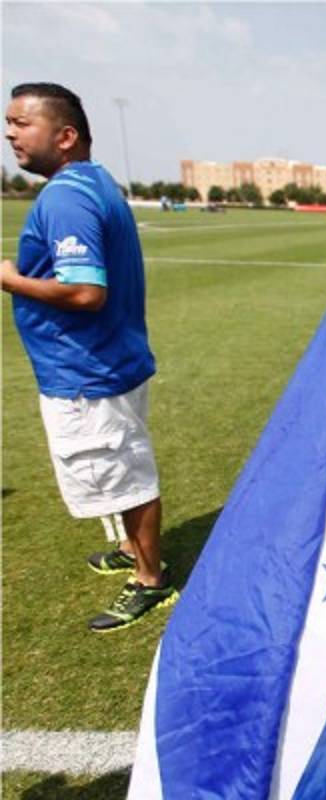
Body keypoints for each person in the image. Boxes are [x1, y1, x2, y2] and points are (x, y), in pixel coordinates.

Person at [2, 83, 174, 632]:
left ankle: (150, 579)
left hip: (87, 370)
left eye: (21, 123)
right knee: (120, 463)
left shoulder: (65, 198)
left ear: (65, 135)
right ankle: (131, 548)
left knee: (124, 474)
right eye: (8, 124)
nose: (10, 134)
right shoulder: (93, 181)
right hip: (107, 358)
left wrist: (10, 279)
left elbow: (84, 292)